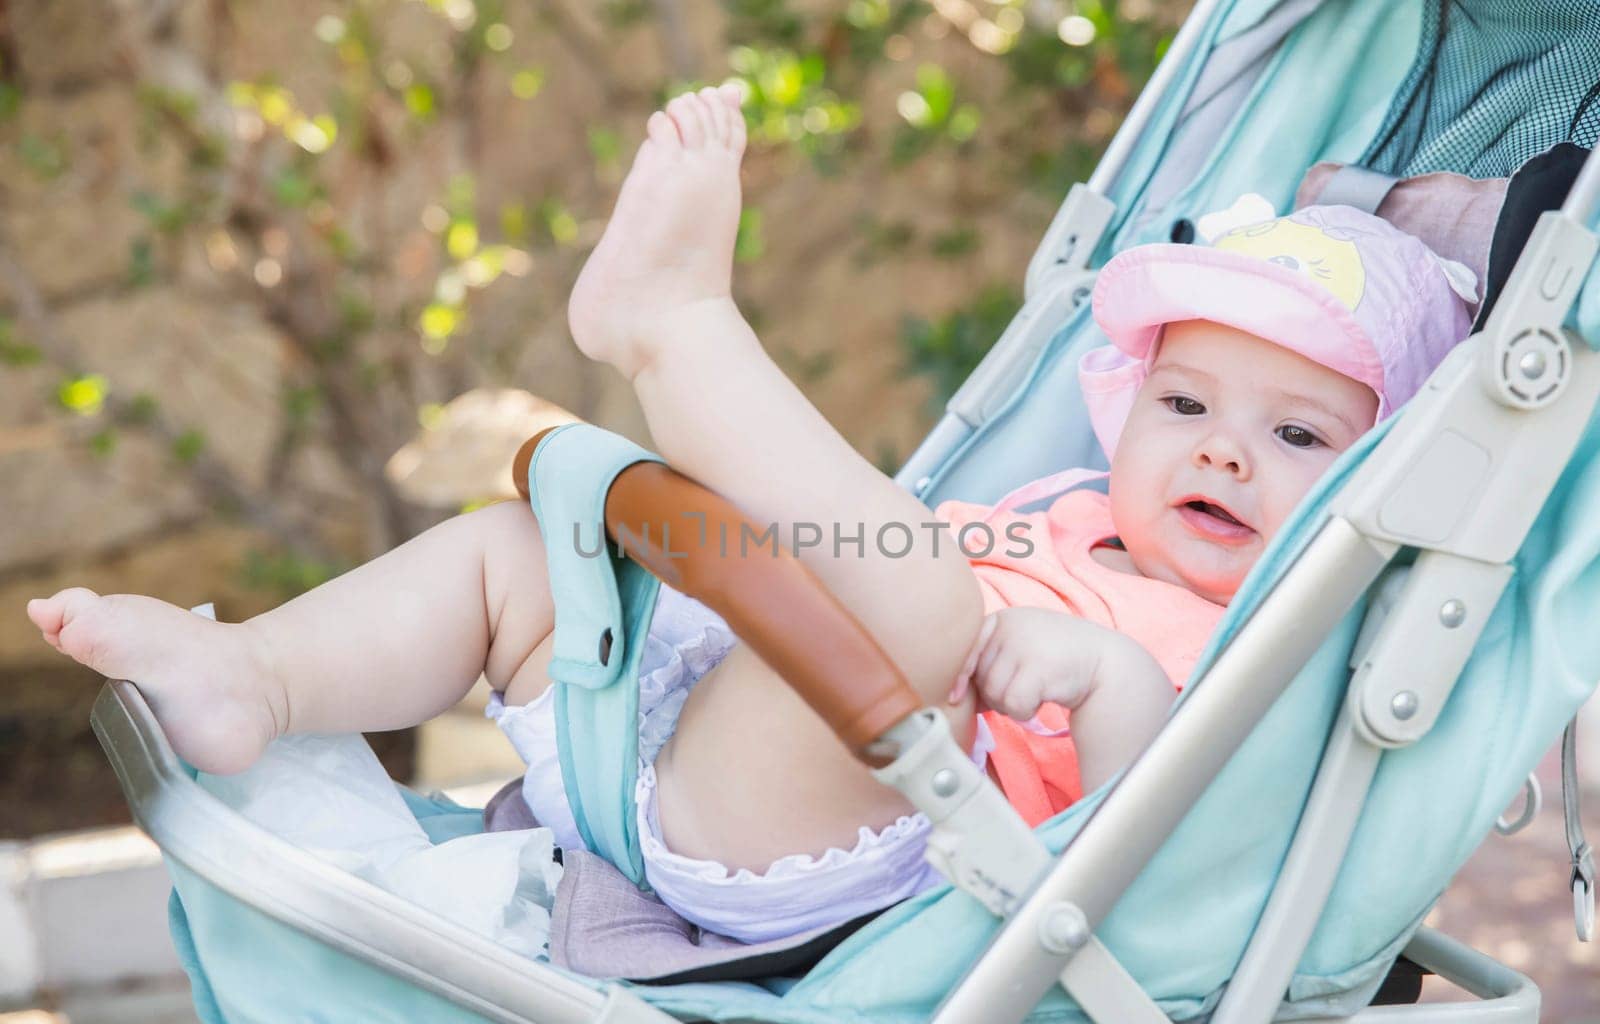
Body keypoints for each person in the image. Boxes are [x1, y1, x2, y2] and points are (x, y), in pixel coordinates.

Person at [26, 87, 1475, 943]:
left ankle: (680, 328)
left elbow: (1160, 842)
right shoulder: (1063, 508)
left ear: (1372, 479)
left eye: (1295, 434)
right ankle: (257, 673)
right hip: (689, 726)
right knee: (514, 548)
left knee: (918, 604)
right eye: (1185, 407)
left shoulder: (1269, 631)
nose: (1223, 454)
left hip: (880, 850)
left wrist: (1109, 681)